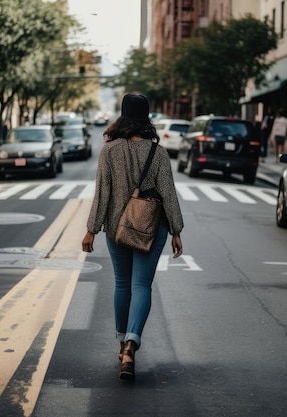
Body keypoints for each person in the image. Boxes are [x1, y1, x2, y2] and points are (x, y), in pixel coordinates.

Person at [81, 93, 184, 381]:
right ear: (147, 118)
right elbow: (169, 195)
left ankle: (121, 341)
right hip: (152, 228)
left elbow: (102, 194)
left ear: (123, 117)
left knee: (122, 283)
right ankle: (132, 343)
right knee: (142, 285)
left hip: (117, 227)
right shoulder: (159, 153)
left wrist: (91, 228)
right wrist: (176, 230)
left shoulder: (110, 151)